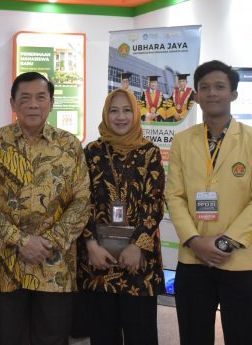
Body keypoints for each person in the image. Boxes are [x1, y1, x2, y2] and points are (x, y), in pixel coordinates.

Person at [0, 71, 90, 345]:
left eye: (40, 97)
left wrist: (48, 243)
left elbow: (82, 200)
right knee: (8, 338)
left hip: (55, 266)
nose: (33, 104)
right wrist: (22, 241)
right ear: (13, 103)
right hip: (6, 265)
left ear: (51, 102)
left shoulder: (69, 145)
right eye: (25, 98)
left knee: (53, 338)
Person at [165, 60, 252, 345]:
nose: (212, 93)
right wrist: (194, 241)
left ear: (233, 94)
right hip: (193, 259)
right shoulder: (182, 141)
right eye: (205, 88)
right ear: (196, 95)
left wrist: (225, 243)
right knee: (194, 336)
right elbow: (174, 195)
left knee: (243, 336)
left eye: (219, 86)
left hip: (237, 260)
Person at [78, 88, 165, 345]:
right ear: (106, 114)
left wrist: (138, 245)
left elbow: (154, 202)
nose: (120, 117)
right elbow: (81, 201)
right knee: (103, 335)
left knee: (141, 334)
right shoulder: (91, 152)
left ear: (136, 114)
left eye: (127, 110)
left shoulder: (150, 152)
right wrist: (91, 245)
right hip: (99, 261)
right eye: (114, 111)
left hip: (138, 261)